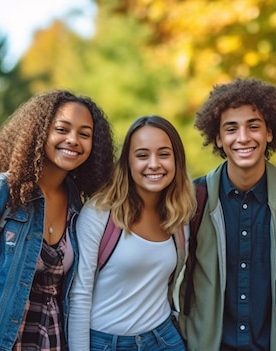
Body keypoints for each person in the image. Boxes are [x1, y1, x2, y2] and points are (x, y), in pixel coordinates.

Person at [0, 89, 115, 351]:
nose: (73, 140)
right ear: (40, 132)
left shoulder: (79, 206)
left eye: (84, 134)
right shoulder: (1, 192)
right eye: (62, 129)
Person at [177, 78, 276, 351]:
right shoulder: (193, 200)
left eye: (253, 126)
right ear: (218, 138)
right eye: (231, 129)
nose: (243, 138)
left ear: (269, 133)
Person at [68, 115, 195, 351]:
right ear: (127, 162)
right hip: (106, 343)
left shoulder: (178, 216)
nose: (154, 164)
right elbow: (79, 296)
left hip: (163, 338)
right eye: (142, 155)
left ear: (177, 160)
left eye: (164, 154)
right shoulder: (100, 213)